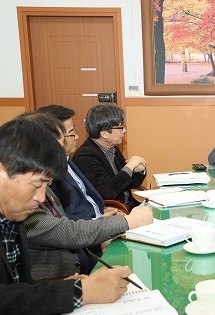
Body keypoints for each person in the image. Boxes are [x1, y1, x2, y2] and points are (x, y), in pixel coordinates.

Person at [0, 118, 134, 315]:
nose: (42, 198)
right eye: (36, 185)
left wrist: (64, 286)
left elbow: (19, 290)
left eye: (47, 185)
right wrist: (79, 291)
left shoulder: (12, 216)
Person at [14, 112, 153, 280]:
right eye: (57, 148)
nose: (60, 156)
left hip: (82, 262)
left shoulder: (41, 187)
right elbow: (66, 231)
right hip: (64, 274)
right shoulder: (24, 200)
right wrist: (125, 222)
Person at [37, 104, 108, 221]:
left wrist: (100, 211)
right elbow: (64, 220)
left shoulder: (67, 159)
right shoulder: (49, 172)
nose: (77, 136)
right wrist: (101, 221)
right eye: (71, 133)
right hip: (85, 230)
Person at [73, 104, 147, 210]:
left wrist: (139, 170)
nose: (124, 130)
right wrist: (130, 166)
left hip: (127, 205)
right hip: (114, 210)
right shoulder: (85, 157)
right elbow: (109, 191)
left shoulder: (112, 148)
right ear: (104, 134)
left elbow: (131, 183)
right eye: (120, 127)